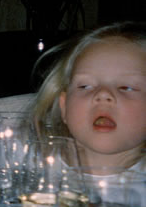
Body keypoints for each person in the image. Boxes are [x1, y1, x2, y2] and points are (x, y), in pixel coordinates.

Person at [32, 21, 146, 173]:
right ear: (64, 106)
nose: (103, 94)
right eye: (85, 86)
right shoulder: (30, 168)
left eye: (126, 87)